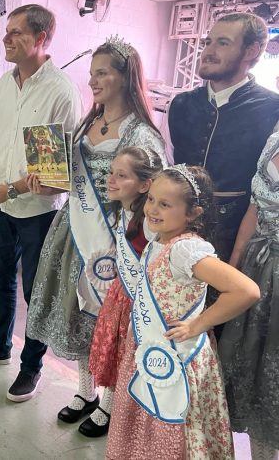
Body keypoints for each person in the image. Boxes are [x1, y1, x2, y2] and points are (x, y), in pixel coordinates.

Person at [25, 38, 166, 422]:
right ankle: (85, 391)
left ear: (125, 77)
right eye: (91, 74)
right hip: (74, 231)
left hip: (114, 241)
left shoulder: (141, 135)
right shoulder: (87, 124)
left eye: (102, 73)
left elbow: (152, 196)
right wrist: (47, 184)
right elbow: (70, 181)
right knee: (77, 313)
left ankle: (109, 401)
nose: (92, 81)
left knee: (108, 321)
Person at [0, 5, 81, 404]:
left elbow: (53, 174)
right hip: (6, 208)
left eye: (16, 32)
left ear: (40, 38)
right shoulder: (6, 85)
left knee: (35, 292)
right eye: (6, 31)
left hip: (39, 213)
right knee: (1, 279)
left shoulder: (59, 91)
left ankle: (31, 367)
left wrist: (6, 191)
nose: (6, 39)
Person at [106, 165, 260, 460]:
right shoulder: (159, 239)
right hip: (152, 349)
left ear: (193, 213)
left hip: (179, 358)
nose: (152, 209)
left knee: (175, 425)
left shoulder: (185, 250)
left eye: (165, 204)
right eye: (151, 199)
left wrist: (196, 325)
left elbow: (246, 290)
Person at [168, 12, 279, 262]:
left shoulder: (273, 109)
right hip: (175, 232)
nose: (208, 51)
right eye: (208, 42)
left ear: (251, 51)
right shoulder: (180, 104)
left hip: (238, 243)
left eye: (223, 43)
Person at [84, 146, 162, 437]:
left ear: (144, 185)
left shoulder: (150, 223)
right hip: (121, 292)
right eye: (111, 173)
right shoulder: (123, 211)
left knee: (127, 353)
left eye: (121, 175)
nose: (111, 180)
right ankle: (108, 402)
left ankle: (115, 408)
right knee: (115, 349)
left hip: (139, 300)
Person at [218, 131, 279, 460]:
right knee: (253, 372)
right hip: (258, 268)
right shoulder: (273, 139)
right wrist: (235, 264)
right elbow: (254, 208)